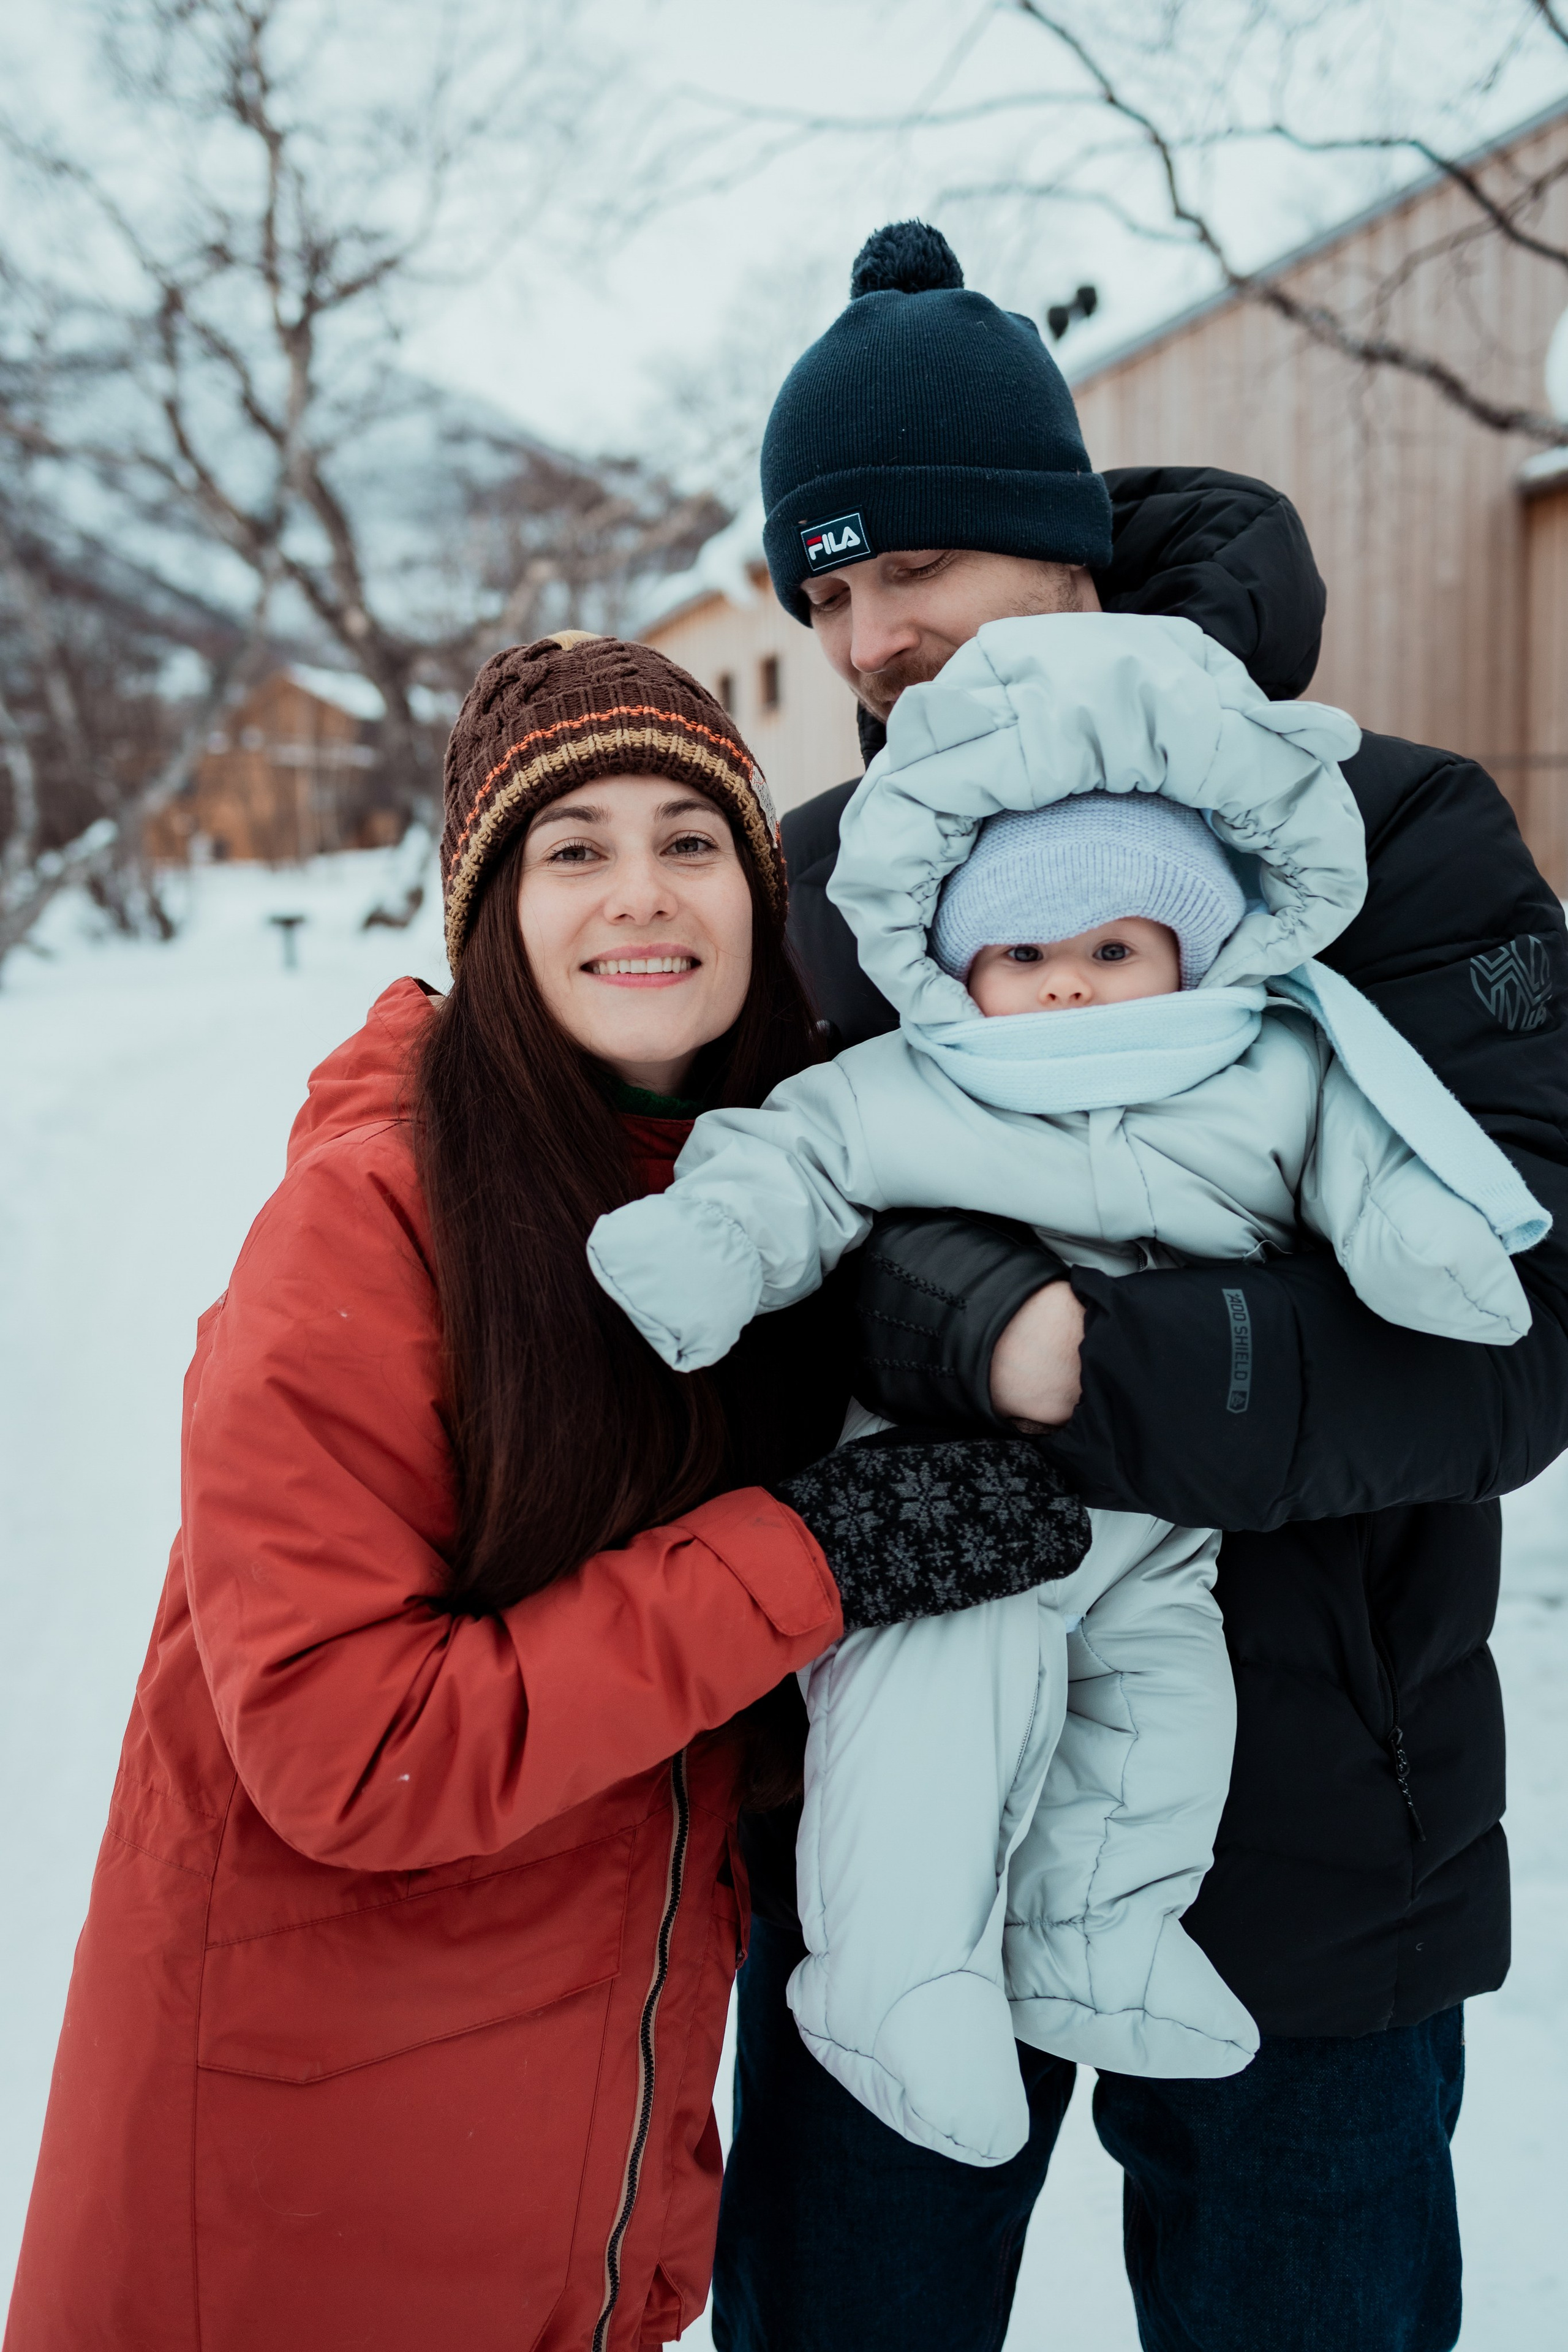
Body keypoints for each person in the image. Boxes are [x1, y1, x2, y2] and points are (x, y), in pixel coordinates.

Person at [2, 634, 1085, 2352]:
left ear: (755, 887)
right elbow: (350, 1746)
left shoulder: (775, 1209)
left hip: (573, 2166)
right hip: (303, 2185)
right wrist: (805, 1555)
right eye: (572, 849)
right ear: (491, 913)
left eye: (689, 839)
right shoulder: (371, 1224)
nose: (638, 895)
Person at [709, 223, 1568, 2352]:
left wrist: (1077, 1356)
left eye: (913, 568)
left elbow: (1521, 1339)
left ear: (1068, 553)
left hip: (1313, 1854)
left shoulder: (1385, 832)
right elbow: (741, 1262)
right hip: (899, 1813)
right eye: (823, 595)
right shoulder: (816, 884)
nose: (869, 637)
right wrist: (939, 1321)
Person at [587, 610, 1545, 2177]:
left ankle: (1095, 1940)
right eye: (1023, 957)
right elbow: (792, 1159)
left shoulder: (1270, 1057)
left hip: (1172, 1535)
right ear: (961, 966)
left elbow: (1383, 1157)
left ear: (1188, 946)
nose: (1069, 993)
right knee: (931, 1725)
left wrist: (1435, 1254)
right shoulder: (919, 1074)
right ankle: (891, 1984)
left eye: (1113, 952)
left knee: (1168, 1714)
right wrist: (711, 1247)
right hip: (950, 1512)